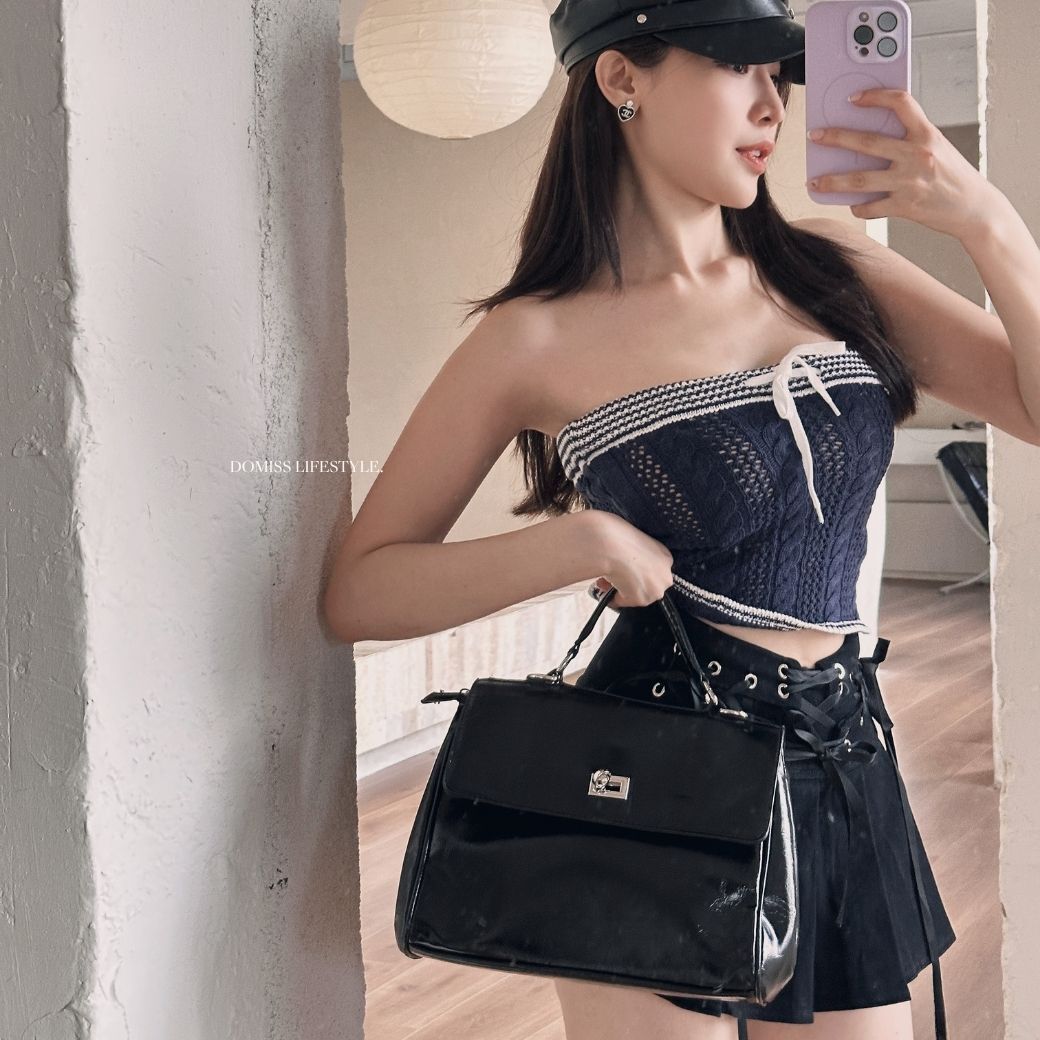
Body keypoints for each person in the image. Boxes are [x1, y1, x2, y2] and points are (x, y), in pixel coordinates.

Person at [325, 0, 1040, 1036]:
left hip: (839, 748)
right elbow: (359, 589)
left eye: (780, 77)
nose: (772, 105)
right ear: (622, 77)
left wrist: (985, 220)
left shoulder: (831, 269)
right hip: (644, 765)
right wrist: (573, 541)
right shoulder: (530, 340)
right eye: (738, 66)